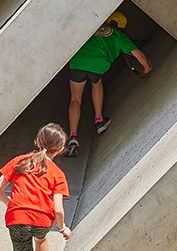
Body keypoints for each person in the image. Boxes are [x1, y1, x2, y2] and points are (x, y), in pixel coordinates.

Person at [62, 11, 151, 154]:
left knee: (75, 99)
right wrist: (147, 68)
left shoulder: (92, 28)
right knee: (97, 83)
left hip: (78, 63)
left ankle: (73, 136)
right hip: (98, 66)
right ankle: (99, 120)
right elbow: (139, 55)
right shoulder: (119, 35)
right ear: (121, 26)